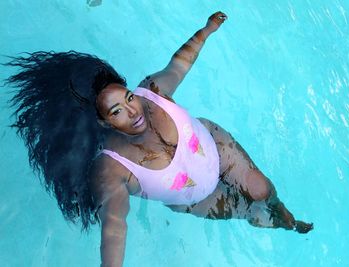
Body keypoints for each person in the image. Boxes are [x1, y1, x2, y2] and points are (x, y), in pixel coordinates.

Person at [5, 11, 313, 267]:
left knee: (261, 189)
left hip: (216, 145)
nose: (132, 110)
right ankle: (283, 224)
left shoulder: (151, 92)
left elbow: (179, 64)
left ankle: (282, 208)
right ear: (102, 122)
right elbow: (115, 228)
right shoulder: (110, 168)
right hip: (197, 198)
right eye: (117, 112)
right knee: (251, 213)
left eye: (127, 98)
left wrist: (206, 31)